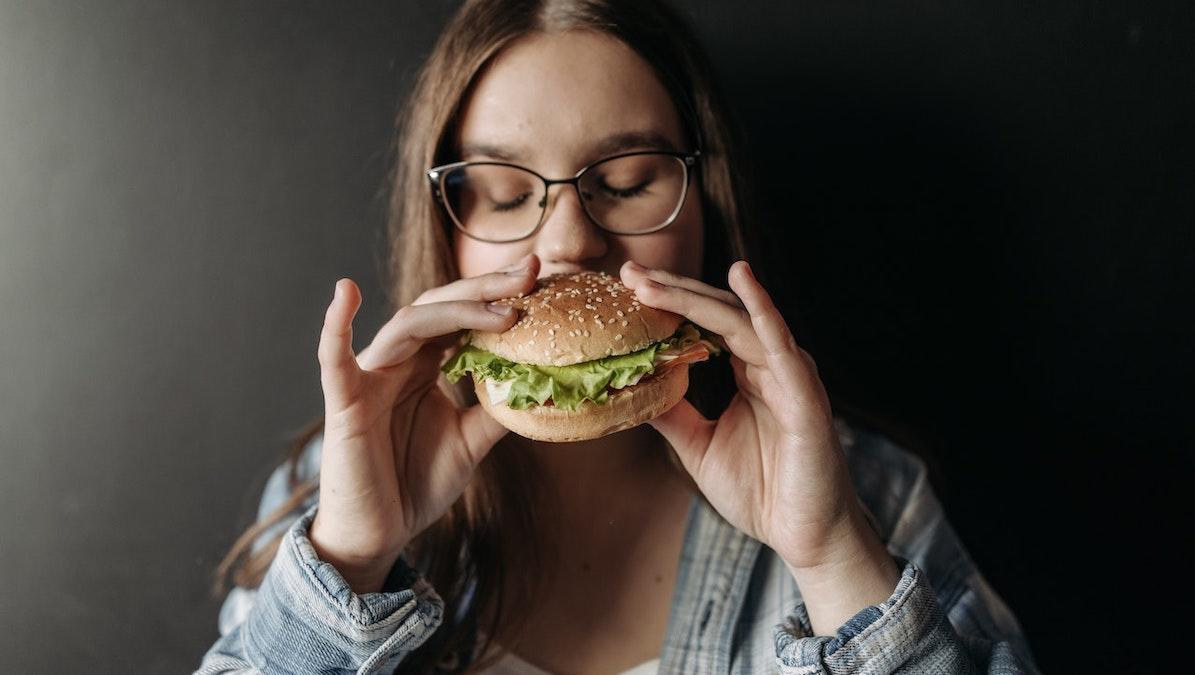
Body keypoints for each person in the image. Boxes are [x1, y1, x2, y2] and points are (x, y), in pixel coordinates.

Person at [197, 1, 1038, 673]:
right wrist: (350, 559)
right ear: (445, 229)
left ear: (706, 205)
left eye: (627, 181)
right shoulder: (328, 498)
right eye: (500, 191)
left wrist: (830, 560)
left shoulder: (871, 500)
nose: (566, 242)